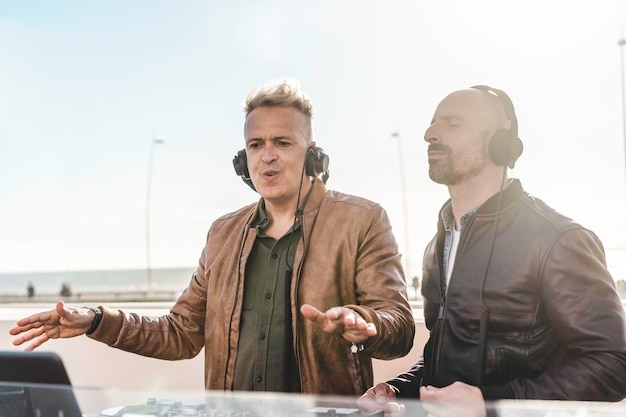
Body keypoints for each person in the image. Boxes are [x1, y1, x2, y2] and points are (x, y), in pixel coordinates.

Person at [10, 78, 415, 395]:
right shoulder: (222, 234)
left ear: (312, 154)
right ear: (243, 159)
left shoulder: (362, 220)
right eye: (255, 144)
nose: (266, 156)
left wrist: (366, 322)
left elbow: (399, 327)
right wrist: (97, 320)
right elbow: (181, 333)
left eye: (282, 143)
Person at [359, 85, 626, 415]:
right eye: (431, 124)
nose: (429, 133)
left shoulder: (558, 239)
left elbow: (613, 363)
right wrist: (398, 388)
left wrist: (494, 404)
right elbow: (444, 353)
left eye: (453, 123)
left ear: (500, 144)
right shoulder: (438, 245)